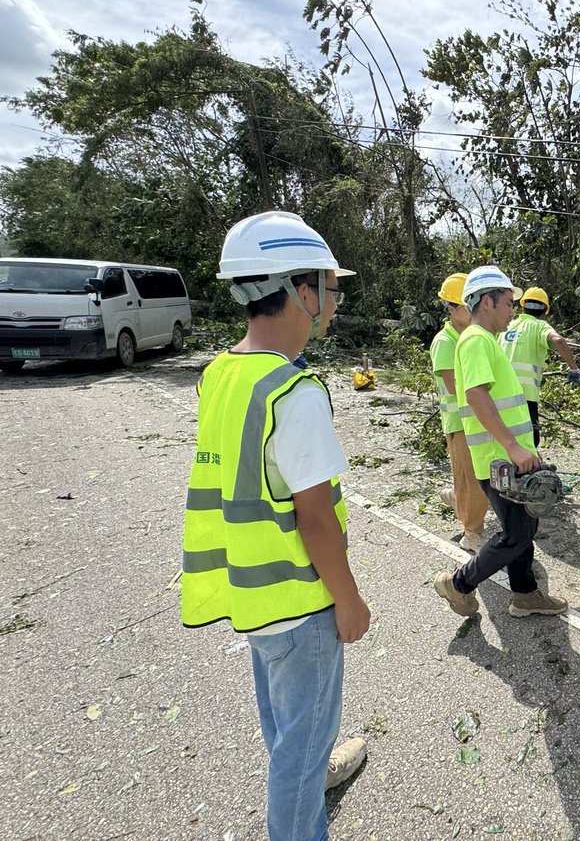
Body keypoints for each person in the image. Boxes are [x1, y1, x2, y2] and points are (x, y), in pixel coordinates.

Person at [181, 211, 370, 840]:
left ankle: (312, 776)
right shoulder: (296, 391)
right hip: (301, 600)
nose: (336, 303)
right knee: (301, 744)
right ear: (302, 292)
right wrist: (348, 600)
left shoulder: (221, 375)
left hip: (250, 592)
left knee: (286, 722)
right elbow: (315, 520)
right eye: (332, 289)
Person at [433, 265, 568, 619]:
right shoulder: (476, 340)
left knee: (525, 525)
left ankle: (524, 594)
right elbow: (477, 395)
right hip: (499, 460)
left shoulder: (486, 341)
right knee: (515, 535)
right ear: (488, 301)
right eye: (509, 302)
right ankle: (458, 584)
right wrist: (512, 447)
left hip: (508, 457)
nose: (513, 309)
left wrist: (525, 449)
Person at [429, 272, 490, 552]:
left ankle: (459, 498)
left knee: (474, 478)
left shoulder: (472, 335)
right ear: (451, 309)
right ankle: (472, 533)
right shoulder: (446, 341)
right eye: (465, 304)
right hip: (460, 421)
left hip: (475, 419)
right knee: (472, 479)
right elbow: (456, 387)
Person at [499, 287, 580, 446]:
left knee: (508, 436)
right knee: (531, 439)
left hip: (502, 391)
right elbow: (559, 340)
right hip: (525, 394)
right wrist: (574, 369)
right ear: (545, 311)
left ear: (523, 306)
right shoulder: (539, 326)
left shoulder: (507, 326)